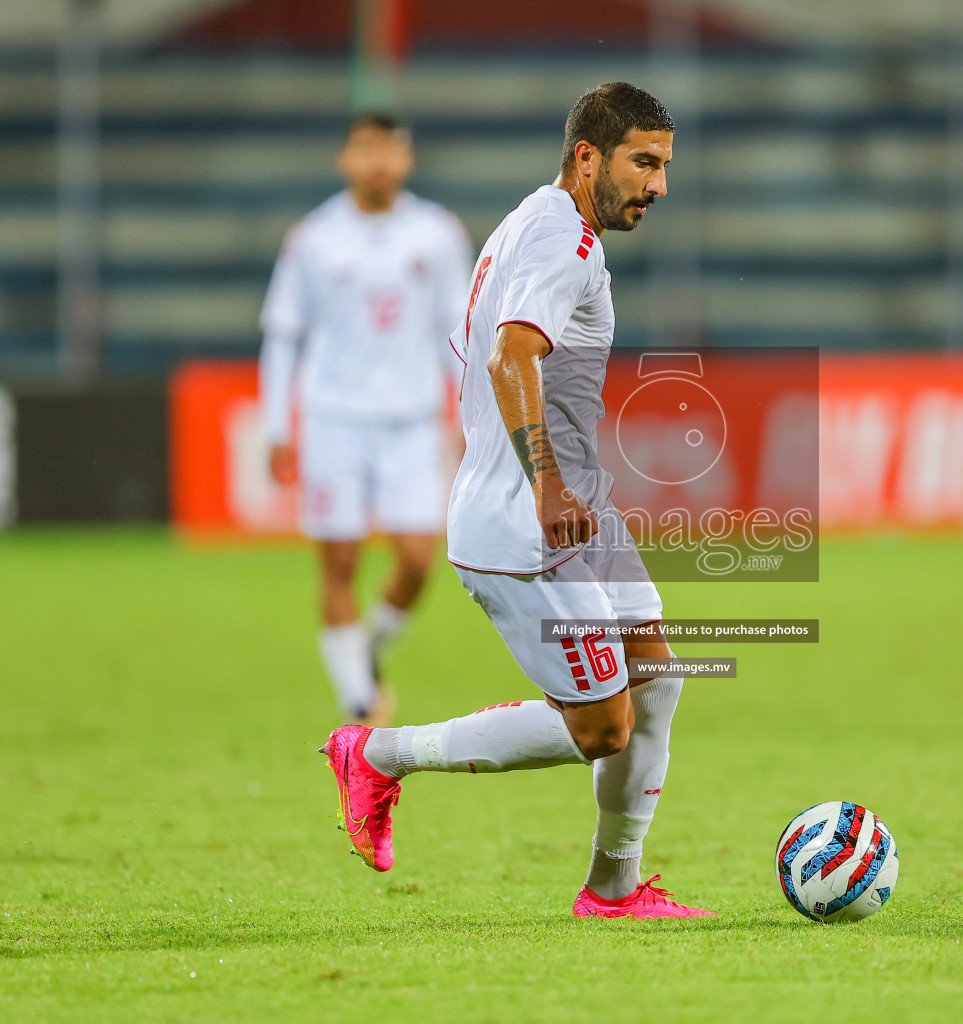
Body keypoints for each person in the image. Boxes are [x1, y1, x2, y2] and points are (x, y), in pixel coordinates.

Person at [320, 83, 713, 919]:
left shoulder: (533, 223)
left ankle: (614, 888)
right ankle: (378, 755)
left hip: (572, 509)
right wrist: (546, 485)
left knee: (656, 680)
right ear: (587, 156)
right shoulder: (561, 242)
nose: (659, 185)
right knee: (600, 728)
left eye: (665, 166)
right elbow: (509, 359)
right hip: (528, 519)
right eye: (644, 162)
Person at [259, 112, 473, 725]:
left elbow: (453, 333)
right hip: (334, 418)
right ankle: (357, 699)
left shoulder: (437, 233)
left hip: (409, 419)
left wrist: (464, 413)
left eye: (391, 148)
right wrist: (279, 425)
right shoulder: (314, 237)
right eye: (366, 148)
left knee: (416, 560)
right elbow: (283, 334)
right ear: (344, 159)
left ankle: (367, 652)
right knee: (341, 561)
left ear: (406, 159)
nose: (378, 160)